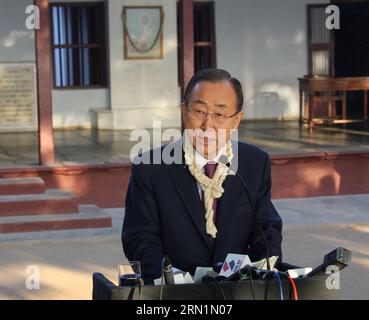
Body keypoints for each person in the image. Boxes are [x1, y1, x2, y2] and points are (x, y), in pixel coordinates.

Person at [122, 69, 283, 282]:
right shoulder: (150, 168)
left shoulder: (254, 163)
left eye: (219, 114)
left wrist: (259, 274)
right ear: (184, 111)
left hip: (237, 289)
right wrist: (175, 281)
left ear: (236, 120)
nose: (207, 125)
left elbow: (266, 229)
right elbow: (140, 239)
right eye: (199, 111)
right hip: (175, 293)